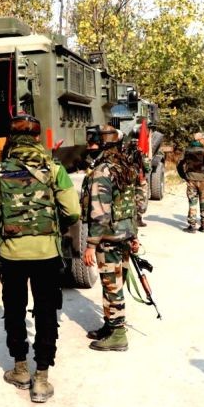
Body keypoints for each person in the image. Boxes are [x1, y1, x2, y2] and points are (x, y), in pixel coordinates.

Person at [0, 115, 80, 404]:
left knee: (14, 309)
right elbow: (72, 211)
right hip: (46, 253)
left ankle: (20, 369)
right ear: (38, 138)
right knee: (47, 312)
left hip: (12, 253)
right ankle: (42, 378)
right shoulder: (53, 168)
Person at [82, 125, 139, 352]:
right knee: (115, 282)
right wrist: (134, 234)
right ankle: (110, 325)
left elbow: (100, 211)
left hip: (109, 237)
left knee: (111, 284)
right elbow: (131, 203)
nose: (89, 146)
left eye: (92, 142)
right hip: (124, 233)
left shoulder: (103, 171)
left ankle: (118, 334)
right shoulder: (124, 166)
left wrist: (90, 244)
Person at [177, 132, 204, 233]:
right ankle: (203, 225)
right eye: (203, 139)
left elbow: (179, 164)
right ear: (200, 140)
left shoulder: (187, 150)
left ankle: (192, 226)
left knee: (192, 202)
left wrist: (184, 176)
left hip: (191, 179)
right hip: (203, 180)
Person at [125, 130, 151, 227]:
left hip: (129, 178)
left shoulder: (126, 151)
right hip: (139, 179)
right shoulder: (141, 152)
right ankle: (138, 219)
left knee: (129, 198)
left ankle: (129, 219)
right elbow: (147, 167)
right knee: (140, 199)